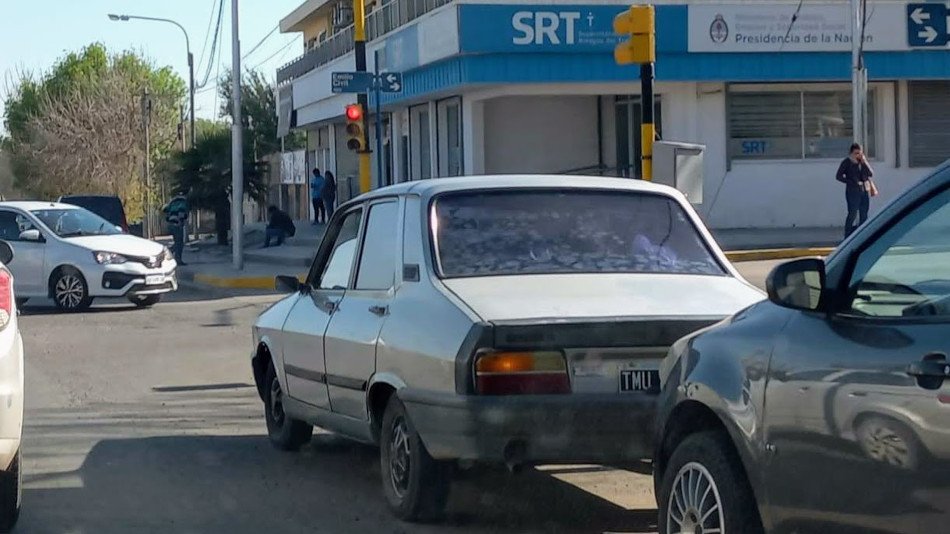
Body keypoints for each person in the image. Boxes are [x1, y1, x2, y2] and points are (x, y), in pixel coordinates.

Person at [836, 142, 875, 238]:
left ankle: (862, 236)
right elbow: (838, 176)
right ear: (851, 153)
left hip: (864, 190)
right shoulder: (846, 162)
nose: (858, 155)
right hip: (852, 192)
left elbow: (870, 173)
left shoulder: (862, 162)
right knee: (852, 213)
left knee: (864, 214)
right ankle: (847, 236)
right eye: (856, 153)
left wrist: (864, 162)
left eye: (860, 153)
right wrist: (851, 182)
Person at [162, 192, 189, 265]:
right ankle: (175, 258)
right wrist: (180, 221)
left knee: (177, 242)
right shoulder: (183, 202)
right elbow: (181, 213)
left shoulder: (172, 202)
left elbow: (164, 209)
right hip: (177, 224)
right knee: (179, 243)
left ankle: (170, 254)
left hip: (170, 224)